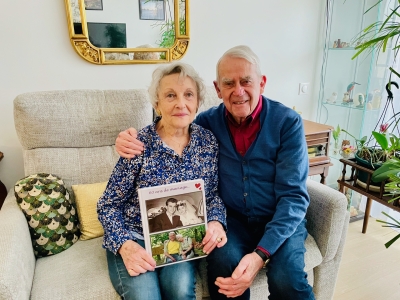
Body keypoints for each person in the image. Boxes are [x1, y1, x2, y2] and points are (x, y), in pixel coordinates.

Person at [114, 45, 314, 300]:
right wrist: (125, 139)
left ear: (262, 83)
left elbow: (294, 198)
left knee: (287, 277)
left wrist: (260, 254)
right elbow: (173, 125)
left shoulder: (287, 123)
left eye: (246, 81)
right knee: (223, 265)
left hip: (280, 219)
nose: (238, 91)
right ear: (217, 89)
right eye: (229, 83)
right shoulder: (206, 125)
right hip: (236, 221)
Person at [97, 62, 227, 300]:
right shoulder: (138, 145)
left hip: (178, 240)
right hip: (133, 237)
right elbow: (107, 205)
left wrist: (217, 221)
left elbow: (212, 196)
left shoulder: (207, 143)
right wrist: (125, 245)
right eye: (170, 95)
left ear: (197, 102)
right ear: (156, 103)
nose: (180, 103)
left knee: (180, 290)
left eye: (188, 95)